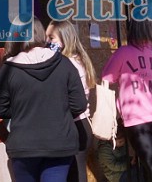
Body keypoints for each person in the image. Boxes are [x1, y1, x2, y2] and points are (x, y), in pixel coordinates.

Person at [0, 16, 88, 182]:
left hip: (24, 146)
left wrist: (22, 109)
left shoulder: (9, 69)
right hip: (59, 143)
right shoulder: (65, 64)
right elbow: (79, 104)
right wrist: (56, 109)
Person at [101, 19, 152, 182]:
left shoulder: (123, 53)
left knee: (151, 165)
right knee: (149, 163)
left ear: (129, 31)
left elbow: (106, 78)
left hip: (136, 119)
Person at [46, 20, 97, 182]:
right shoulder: (77, 60)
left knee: (75, 174)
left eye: (51, 38)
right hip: (81, 124)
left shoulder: (69, 64)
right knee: (77, 172)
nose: (47, 42)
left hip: (75, 125)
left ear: (64, 39)